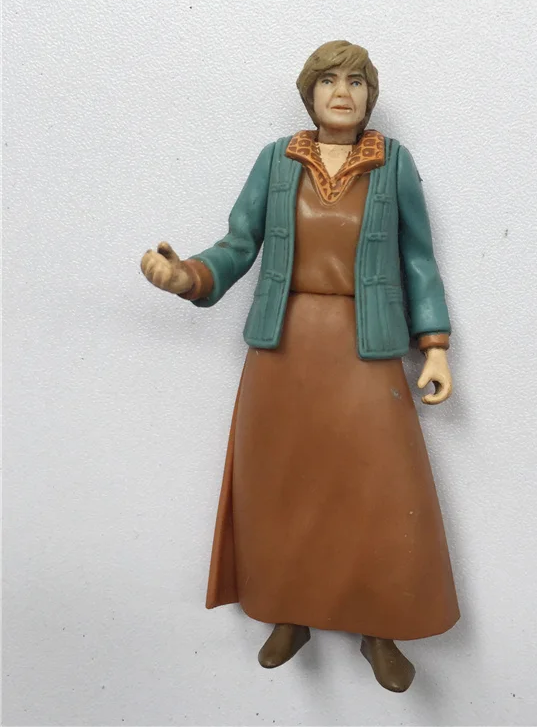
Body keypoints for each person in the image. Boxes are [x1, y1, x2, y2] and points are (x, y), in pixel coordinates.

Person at [140, 40, 459, 693]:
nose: (342, 92)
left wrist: (434, 345)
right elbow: (239, 243)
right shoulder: (276, 161)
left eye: (356, 81)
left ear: (371, 96)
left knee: (379, 489)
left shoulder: (393, 164)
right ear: (309, 93)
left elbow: (418, 258)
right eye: (328, 80)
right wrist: (188, 276)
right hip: (283, 348)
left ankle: (380, 627)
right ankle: (288, 610)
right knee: (283, 485)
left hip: (366, 346)